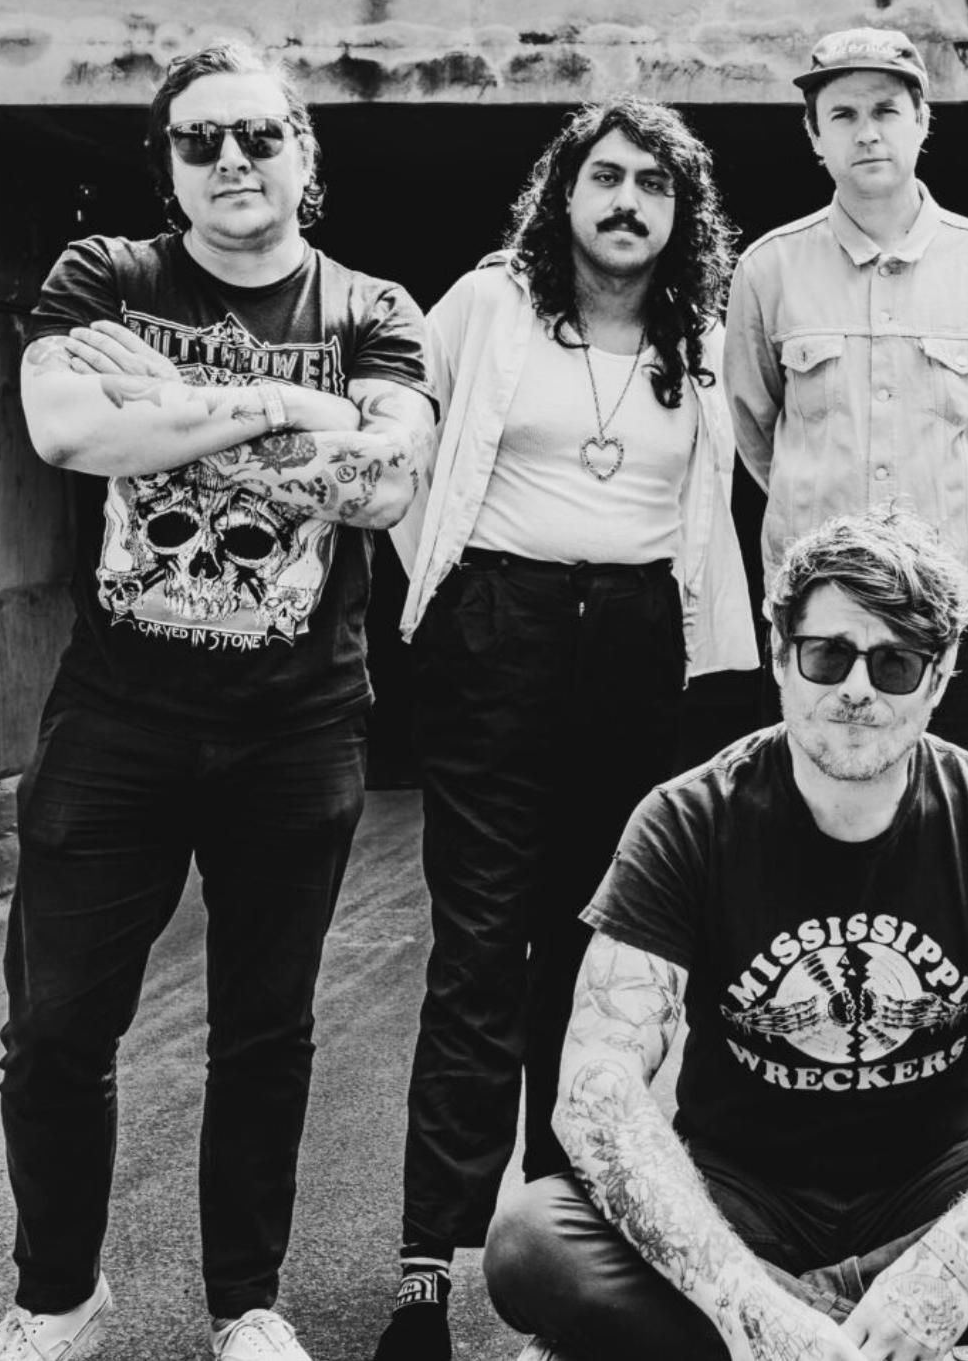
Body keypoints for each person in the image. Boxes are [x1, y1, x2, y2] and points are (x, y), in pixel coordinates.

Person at [480, 507, 968, 1361]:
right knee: (530, 1240)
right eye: (828, 655)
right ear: (782, 656)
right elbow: (595, 1089)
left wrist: (949, 1267)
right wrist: (750, 1305)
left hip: (938, 1186)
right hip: (739, 1192)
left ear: (938, 679)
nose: (858, 688)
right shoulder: (686, 820)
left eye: (895, 663)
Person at [0, 40, 437, 1361]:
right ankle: (57, 1297)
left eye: (257, 135)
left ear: (304, 152)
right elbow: (68, 433)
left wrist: (174, 405)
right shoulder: (105, 276)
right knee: (55, 1029)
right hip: (117, 717)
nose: (231, 160)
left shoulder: (372, 308)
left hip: (298, 723)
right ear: (169, 164)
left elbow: (385, 487)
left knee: (263, 1032)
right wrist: (286, 410)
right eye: (200, 140)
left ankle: (248, 1305)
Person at [372, 97, 758, 1361]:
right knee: (481, 948)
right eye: (607, 175)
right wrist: (446, 583)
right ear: (565, 192)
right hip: (498, 630)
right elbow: (401, 450)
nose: (628, 200)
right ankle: (426, 1267)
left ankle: (554, 1246)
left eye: (655, 183)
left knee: (594, 956)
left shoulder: (698, 337)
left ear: (680, 214)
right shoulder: (487, 305)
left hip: (639, 647)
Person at [724, 27, 968, 762]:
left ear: (922, 121)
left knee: (958, 807)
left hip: (956, 611)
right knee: (814, 798)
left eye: (886, 111)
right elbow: (754, 428)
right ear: (814, 135)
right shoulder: (768, 269)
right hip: (816, 619)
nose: (866, 132)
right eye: (842, 115)